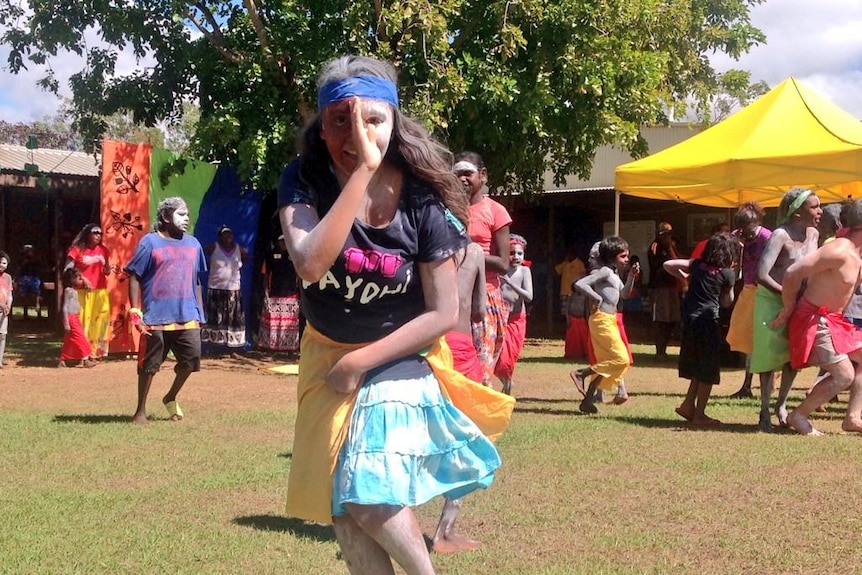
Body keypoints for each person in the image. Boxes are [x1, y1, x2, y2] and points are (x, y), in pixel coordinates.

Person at [277, 55, 501, 575]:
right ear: (321, 125)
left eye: (373, 119)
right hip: (326, 352)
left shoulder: (422, 198)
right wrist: (362, 173)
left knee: (368, 493)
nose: (358, 133)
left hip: (402, 352)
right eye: (341, 119)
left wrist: (361, 363)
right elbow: (311, 264)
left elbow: (443, 311)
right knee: (345, 513)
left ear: (394, 122)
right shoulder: (304, 178)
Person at [770, 198, 862, 436]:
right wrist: (788, 307)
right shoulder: (839, 250)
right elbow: (793, 272)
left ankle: (852, 417)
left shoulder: (856, 254)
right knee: (844, 375)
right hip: (814, 319)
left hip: (834, 321)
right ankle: (798, 415)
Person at [124, 197, 207, 425]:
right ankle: (140, 411)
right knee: (149, 366)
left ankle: (170, 396)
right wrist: (134, 310)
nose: (186, 218)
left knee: (191, 360)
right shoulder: (149, 243)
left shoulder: (194, 244)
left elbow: (197, 281)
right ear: (165, 217)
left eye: (187, 214)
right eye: (181, 214)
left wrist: (200, 311)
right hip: (156, 315)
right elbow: (134, 275)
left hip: (188, 314)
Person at [750, 187, 821, 431]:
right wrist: (787, 296)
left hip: (799, 303)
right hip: (771, 301)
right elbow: (761, 274)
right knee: (769, 358)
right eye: (814, 207)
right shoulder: (779, 235)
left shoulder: (813, 234)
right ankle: (764, 411)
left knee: (794, 356)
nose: (819, 211)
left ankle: (782, 406)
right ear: (797, 212)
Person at [432, 241, 487, 555]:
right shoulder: (475, 252)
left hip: (422, 345)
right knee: (465, 439)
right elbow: (478, 309)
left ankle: (391, 521)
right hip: (461, 346)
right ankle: (444, 532)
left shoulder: (417, 236)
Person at [664, 233, 739, 426]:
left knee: (698, 365)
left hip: (690, 321)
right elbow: (726, 302)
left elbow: (668, 265)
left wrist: (684, 278)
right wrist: (729, 286)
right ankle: (699, 415)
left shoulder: (696, 265)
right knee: (708, 370)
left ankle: (688, 405)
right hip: (708, 322)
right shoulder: (726, 274)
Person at [454, 151, 512, 388]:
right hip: (452, 296)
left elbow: (503, 263)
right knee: (455, 364)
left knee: (480, 371)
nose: (462, 179)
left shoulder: (495, 211)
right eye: (456, 174)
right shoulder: (446, 209)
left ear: (483, 175)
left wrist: (468, 254)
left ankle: (479, 419)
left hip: (485, 298)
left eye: (467, 173)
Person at [571, 236, 638, 414]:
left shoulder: (614, 274)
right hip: (601, 319)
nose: (626, 259)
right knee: (621, 359)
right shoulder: (605, 271)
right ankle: (581, 374)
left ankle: (587, 401)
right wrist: (596, 297)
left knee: (606, 362)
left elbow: (623, 294)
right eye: (623, 256)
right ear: (611, 256)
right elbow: (580, 284)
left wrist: (631, 276)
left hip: (609, 319)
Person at [726, 202, 771, 399]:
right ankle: (746, 385)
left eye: (749, 230)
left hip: (764, 291)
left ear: (758, 222)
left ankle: (761, 385)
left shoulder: (768, 237)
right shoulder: (737, 235)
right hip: (747, 288)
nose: (747, 233)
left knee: (761, 338)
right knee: (743, 335)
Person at [65, 224, 111, 358]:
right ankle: (82, 353)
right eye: (95, 232)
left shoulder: (103, 250)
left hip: (100, 290)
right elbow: (68, 270)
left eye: (100, 233)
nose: (98, 235)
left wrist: (107, 269)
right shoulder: (76, 250)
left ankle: (96, 352)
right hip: (82, 292)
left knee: (100, 320)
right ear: (87, 234)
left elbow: (106, 268)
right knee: (84, 321)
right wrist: (82, 278)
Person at [495, 233, 533, 395]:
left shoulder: (524, 271)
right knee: (496, 355)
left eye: (519, 253)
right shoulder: (498, 271)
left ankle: (508, 381)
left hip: (517, 319)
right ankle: (506, 382)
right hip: (499, 318)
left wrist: (510, 283)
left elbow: (529, 296)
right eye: (512, 253)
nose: (516, 256)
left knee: (509, 356)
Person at [201, 224, 248, 349]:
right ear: (220, 237)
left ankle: (232, 347)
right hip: (216, 289)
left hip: (233, 290)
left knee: (232, 319)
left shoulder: (240, 249)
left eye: (229, 234)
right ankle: (215, 347)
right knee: (216, 318)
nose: (227, 236)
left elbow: (246, 259)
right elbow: (200, 253)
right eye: (224, 234)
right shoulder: (214, 247)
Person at [256, 234, 301, 353]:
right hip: (274, 294)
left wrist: (299, 291)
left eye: (285, 241)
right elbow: (265, 274)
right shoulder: (270, 256)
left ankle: (289, 348)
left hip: (291, 295)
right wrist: (266, 290)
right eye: (281, 241)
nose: (283, 244)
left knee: (289, 323)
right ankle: (271, 347)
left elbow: (300, 274)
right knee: (273, 323)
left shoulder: (295, 256)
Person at [647, 222, 683, 360]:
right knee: (660, 320)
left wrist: (670, 247)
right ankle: (659, 351)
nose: (667, 237)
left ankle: (664, 350)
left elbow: (677, 260)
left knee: (671, 320)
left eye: (669, 235)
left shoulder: (670, 247)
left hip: (672, 286)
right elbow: (658, 268)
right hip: (659, 287)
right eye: (665, 235)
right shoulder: (655, 247)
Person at [58, 267, 97, 368]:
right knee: (80, 338)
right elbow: (65, 307)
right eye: (78, 278)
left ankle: (63, 360)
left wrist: (83, 279)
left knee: (69, 340)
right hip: (71, 318)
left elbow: (91, 287)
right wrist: (66, 322)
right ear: (71, 280)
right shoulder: (68, 291)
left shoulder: (75, 290)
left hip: (75, 316)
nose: (81, 279)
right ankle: (85, 359)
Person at [555, 246, 585, 323]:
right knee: (565, 311)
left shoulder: (579, 264)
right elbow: (556, 271)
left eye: (569, 255)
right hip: (564, 291)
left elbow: (583, 276)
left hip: (575, 292)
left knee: (574, 311)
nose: (567, 257)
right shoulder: (565, 263)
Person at [16, 244, 42, 318]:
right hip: (24, 278)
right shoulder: (21, 260)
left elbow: (39, 269)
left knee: (36, 285)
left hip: (34, 277)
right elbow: (19, 270)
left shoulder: (36, 260)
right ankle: (25, 312)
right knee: (23, 290)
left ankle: (37, 303)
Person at [0, 251, 12, 368]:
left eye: (4, 263)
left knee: (3, 335)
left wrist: (8, 306)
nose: (2, 265)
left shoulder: (8, 278)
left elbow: (9, 294)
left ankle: (0, 359)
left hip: (4, 312)